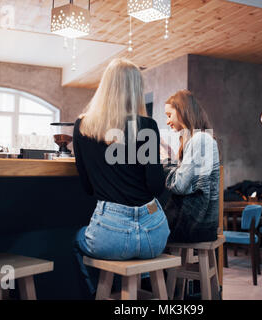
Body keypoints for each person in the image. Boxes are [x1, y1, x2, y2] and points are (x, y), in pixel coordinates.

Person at [72, 58, 170, 296]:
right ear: (136, 89)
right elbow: (156, 186)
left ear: (105, 87)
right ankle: (138, 285)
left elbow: (87, 187)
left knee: (78, 238)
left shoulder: (83, 126)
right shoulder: (147, 125)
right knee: (136, 251)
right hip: (153, 237)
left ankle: (102, 293)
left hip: (109, 235)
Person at [161, 89, 220, 243]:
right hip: (203, 225)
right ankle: (167, 267)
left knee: (149, 227)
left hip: (195, 226)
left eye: (169, 115)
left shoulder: (199, 139)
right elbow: (189, 182)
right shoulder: (200, 138)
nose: (167, 121)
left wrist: (165, 160)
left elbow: (179, 186)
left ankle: (163, 266)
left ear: (182, 111)